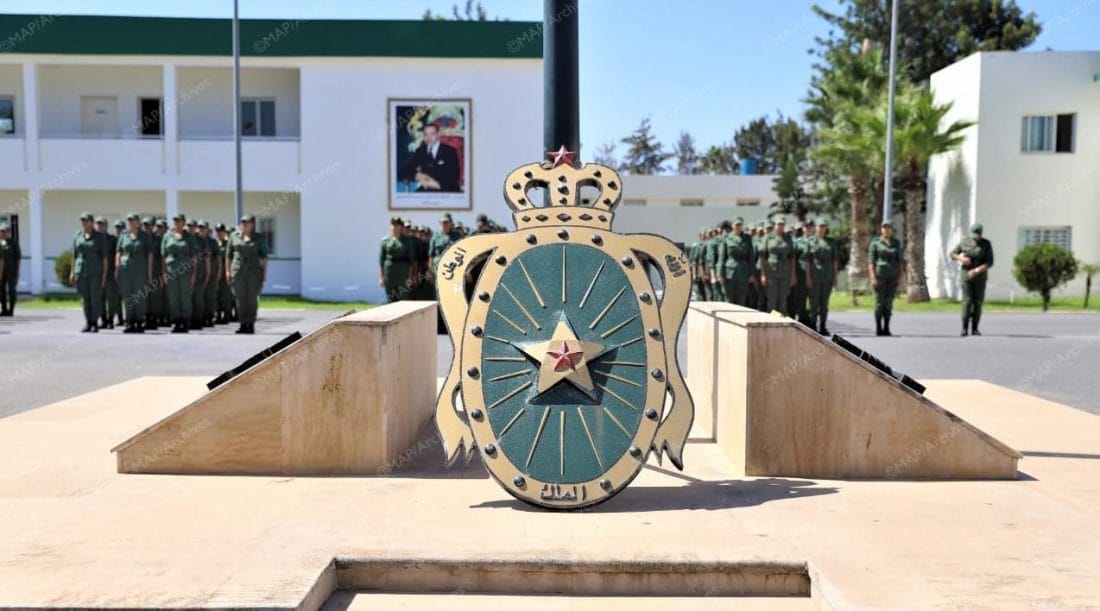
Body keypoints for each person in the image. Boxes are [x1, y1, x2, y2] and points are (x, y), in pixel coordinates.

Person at [226, 214, 268, 334]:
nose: (245, 224)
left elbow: (264, 257)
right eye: (243, 222)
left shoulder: (258, 238)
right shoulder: (234, 236)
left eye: (247, 222)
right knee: (240, 299)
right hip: (238, 272)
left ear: (252, 225)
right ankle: (243, 324)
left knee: (252, 299)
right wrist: (227, 272)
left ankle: (251, 324)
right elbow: (228, 256)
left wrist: (264, 273)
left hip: (253, 273)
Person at [951, 223, 994, 337]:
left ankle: (975, 328)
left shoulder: (986, 244)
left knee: (978, 302)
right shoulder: (965, 241)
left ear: (981, 234)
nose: (975, 238)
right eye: (973, 236)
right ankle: (964, 328)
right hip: (966, 276)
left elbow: (989, 262)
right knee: (967, 302)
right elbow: (952, 254)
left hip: (980, 277)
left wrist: (976, 271)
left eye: (977, 236)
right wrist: (961, 258)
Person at [71, 211, 109, 332]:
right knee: (85, 298)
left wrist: (104, 274)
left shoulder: (100, 237)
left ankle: (95, 322)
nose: (84, 223)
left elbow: (104, 257)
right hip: (81, 271)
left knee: (95, 298)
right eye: (82, 220)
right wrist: (72, 272)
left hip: (95, 272)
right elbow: (74, 256)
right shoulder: (78, 237)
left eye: (86, 220)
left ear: (92, 222)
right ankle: (88, 322)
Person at [115, 212, 153, 333]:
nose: (131, 222)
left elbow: (150, 254)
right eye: (129, 220)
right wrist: (117, 267)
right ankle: (129, 322)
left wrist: (149, 271)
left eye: (133, 220)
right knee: (127, 295)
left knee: (139, 295)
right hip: (126, 269)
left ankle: (139, 322)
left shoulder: (144, 236)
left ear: (138, 222)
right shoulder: (124, 235)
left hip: (140, 269)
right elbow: (119, 251)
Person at [398, 123, 461, 192]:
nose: (428, 137)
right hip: (426, 189)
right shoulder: (420, 151)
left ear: (438, 135)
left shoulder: (449, 151)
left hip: (447, 190)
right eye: (426, 134)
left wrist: (437, 184)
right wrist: (417, 175)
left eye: (432, 134)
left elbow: (455, 176)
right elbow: (404, 170)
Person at [868, 220, 904, 337]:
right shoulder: (875, 243)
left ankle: (886, 328)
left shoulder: (896, 243)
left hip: (892, 277)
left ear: (892, 230)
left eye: (888, 228)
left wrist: (900, 277)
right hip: (880, 277)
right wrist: (872, 277)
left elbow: (900, 261)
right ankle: (879, 328)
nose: (886, 230)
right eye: (884, 227)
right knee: (879, 302)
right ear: (881, 229)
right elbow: (871, 262)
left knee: (888, 302)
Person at [162, 212, 195, 333]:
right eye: (175, 220)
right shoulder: (167, 236)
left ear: (183, 222)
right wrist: (164, 273)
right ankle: (176, 321)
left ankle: (185, 322)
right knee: (173, 296)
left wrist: (194, 273)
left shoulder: (189, 237)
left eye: (179, 220)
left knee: (185, 296)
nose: (176, 222)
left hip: (185, 269)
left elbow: (193, 256)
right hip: (171, 269)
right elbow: (163, 256)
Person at [805, 219, 839, 335]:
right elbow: (807, 261)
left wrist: (835, 276)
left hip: (827, 275)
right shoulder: (810, 242)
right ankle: (813, 325)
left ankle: (823, 326)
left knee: (824, 303)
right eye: (820, 226)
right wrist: (808, 277)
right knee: (814, 303)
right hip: (814, 276)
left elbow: (834, 260)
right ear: (815, 228)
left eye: (823, 227)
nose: (822, 229)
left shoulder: (831, 242)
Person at [758, 216, 797, 315]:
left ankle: (782, 320)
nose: (780, 226)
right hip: (771, 271)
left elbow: (792, 257)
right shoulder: (768, 238)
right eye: (778, 224)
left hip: (785, 271)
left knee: (783, 298)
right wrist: (763, 274)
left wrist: (793, 274)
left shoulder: (788, 238)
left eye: (782, 224)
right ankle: (770, 320)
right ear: (774, 225)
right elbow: (763, 257)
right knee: (772, 297)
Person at [716, 217, 755, 307]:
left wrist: (752, 274)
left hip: (744, 272)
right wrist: (720, 274)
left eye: (740, 225)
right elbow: (722, 257)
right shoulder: (726, 238)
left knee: (741, 300)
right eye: (736, 225)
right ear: (732, 226)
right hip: (729, 273)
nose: (738, 227)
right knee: (729, 300)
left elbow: (751, 257)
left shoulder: (747, 238)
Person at [379, 217, 414, 303]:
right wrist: (381, 277)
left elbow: (411, 261)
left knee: (403, 299)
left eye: (397, 225)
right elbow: (381, 260)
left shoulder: (407, 241)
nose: (395, 227)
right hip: (389, 273)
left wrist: (409, 277)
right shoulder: (385, 241)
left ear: (400, 227)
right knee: (390, 298)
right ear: (390, 226)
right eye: (393, 225)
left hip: (402, 274)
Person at [96, 216, 121, 329]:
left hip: (110, 273)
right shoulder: (93, 240)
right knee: (99, 298)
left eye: (102, 225)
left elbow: (118, 254)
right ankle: (103, 320)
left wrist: (117, 269)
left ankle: (110, 319)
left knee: (112, 298)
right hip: (97, 273)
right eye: (98, 224)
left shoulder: (112, 239)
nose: (100, 227)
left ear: (106, 226)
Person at [187, 219, 211, 330]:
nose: (190, 228)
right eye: (189, 226)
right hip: (186, 273)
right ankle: (188, 320)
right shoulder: (185, 239)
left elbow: (207, 258)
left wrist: (208, 273)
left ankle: (198, 321)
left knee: (198, 298)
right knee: (187, 298)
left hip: (200, 273)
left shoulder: (201, 241)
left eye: (192, 226)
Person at [0, 222, 20, 316]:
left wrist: (18, 272)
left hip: (11, 271)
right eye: (2, 231)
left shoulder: (13, 243)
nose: (3, 233)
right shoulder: (0, 242)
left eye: (5, 231)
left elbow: (18, 258)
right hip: (1, 272)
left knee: (12, 291)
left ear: (9, 232)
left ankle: (11, 310)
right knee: (1, 291)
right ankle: (4, 309)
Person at [202, 220, 220, 327]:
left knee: (210, 296)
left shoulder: (212, 242)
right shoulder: (196, 240)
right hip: (200, 274)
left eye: (203, 228)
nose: (201, 230)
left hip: (212, 274)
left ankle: (210, 317)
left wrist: (218, 273)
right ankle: (202, 316)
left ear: (207, 229)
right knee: (200, 296)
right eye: (200, 227)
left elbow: (218, 258)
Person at [215, 223, 232, 324]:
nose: (219, 233)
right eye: (217, 232)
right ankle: (218, 315)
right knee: (216, 295)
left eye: (221, 231)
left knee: (225, 295)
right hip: (216, 274)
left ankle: (226, 315)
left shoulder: (228, 244)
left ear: (224, 232)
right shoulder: (214, 244)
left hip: (224, 274)